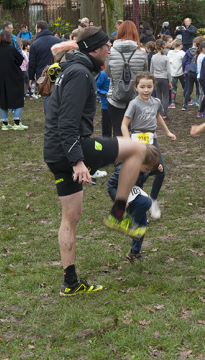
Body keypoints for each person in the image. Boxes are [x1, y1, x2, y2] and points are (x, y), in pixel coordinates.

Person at [43, 25, 160, 296]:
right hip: (71, 148)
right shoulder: (80, 73)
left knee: (71, 216)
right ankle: (118, 213)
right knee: (137, 150)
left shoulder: (74, 68)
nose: (110, 49)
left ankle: (70, 283)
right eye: (106, 46)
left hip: (54, 152)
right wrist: (77, 160)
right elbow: (67, 122)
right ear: (94, 49)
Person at [119, 71, 175, 220]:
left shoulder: (156, 102)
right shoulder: (134, 104)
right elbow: (124, 125)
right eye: (142, 87)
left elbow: (158, 117)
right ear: (136, 87)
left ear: (153, 87)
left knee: (160, 171)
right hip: (136, 141)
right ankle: (138, 209)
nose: (146, 90)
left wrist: (168, 132)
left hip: (152, 140)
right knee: (138, 176)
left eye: (149, 87)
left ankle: (153, 200)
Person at [107, 154, 162, 262]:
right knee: (146, 202)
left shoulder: (144, 169)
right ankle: (128, 226)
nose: (148, 171)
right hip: (124, 197)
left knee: (142, 226)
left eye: (150, 169)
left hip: (135, 194)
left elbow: (146, 172)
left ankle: (134, 252)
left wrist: (155, 171)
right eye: (147, 168)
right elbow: (111, 185)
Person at [105, 20, 148, 136]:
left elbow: (108, 74)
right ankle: (136, 154)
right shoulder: (142, 52)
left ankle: (121, 154)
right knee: (137, 132)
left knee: (118, 133)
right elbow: (146, 75)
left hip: (115, 98)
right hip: (136, 98)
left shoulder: (110, 52)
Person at [0, 30, 27, 130]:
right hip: (14, 76)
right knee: (18, 96)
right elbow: (20, 59)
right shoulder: (12, 49)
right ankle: (17, 122)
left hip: (2, 77)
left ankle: (4, 123)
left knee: (4, 98)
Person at [29, 21, 61, 114]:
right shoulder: (58, 41)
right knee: (59, 95)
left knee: (46, 96)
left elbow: (32, 63)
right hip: (58, 72)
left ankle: (49, 119)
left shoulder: (35, 44)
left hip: (42, 75)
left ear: (39, 29)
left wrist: (31, 77)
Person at [150, 39, 171, 120]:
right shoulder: (165, 58)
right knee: (166, 96)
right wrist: (170, 81)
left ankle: (158, 115)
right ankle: (165, 115)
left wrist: (151, 79)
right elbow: (168, 71)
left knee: (158, 97)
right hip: (164, 78)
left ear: (156, 47)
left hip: (155, 78)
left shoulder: (153, 57)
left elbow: (151, 70)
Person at [168, 39, 185, 109]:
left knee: (173, 88)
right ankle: (189, 100)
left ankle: (172, 103)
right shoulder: (182, 53)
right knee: (185, 86)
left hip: (172, 73)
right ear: (180, 46)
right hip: (181, 72)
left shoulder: (169, 52)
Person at [95, 69, 112, 137]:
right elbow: (94, 87)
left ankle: (118, 146)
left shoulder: (119, 72)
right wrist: (105, 94)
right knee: (107, 131)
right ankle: (107, 146)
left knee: (120, 129)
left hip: (119, 105)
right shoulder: (103, 74)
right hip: (106, 106)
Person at [196, 40, 205, 117]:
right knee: (203, 94)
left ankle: (203, 109)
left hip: (201, 77)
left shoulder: (202, 56)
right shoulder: (202, 57)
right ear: (203, 48)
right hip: (201, 77)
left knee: (204, 94)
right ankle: (200, 110)